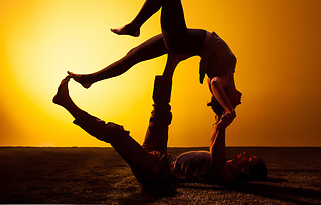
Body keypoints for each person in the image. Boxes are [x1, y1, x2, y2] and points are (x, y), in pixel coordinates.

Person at [67, 0, 242, 121]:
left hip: (181, 40)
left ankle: (133, 27)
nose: (240, 101)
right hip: (182, 42)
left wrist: (229, 110)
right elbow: (199, 56)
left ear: (226, 98)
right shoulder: (225, 72)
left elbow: (215, 84)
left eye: (235, 104)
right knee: (133, 56)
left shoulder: (223, 78)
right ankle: (89, 79)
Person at [52, 73, 267, 185]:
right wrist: (221, 110)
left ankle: (66, 103)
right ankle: (171, 63)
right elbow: (215, 142)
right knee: (161, 113)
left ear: (245, 171)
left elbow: (215, 146)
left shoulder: (227, 175)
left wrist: (222, 123)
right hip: (161, 157)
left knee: (115, 134)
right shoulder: (223, 163)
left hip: (156, 170)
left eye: (249, 159)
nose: (244, 154)